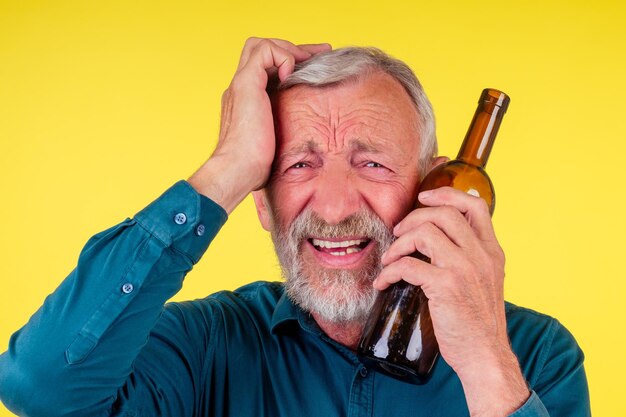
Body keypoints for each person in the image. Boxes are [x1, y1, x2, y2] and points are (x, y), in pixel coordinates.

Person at [0, 38, 590, 417]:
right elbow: (40, 386)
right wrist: (225, 170)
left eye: (373, 163)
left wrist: (487, 362)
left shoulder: (533, 357)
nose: (332, 208)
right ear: (261, 202)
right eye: (298, 165)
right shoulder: (206, 347)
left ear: (434, 191)